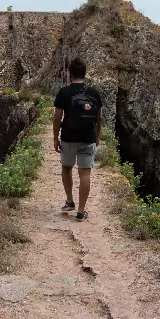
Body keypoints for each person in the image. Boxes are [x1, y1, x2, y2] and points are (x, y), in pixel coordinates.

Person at [53, 58, 103, 221]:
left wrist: (55, 138)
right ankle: (81, 211)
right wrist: (97, 136)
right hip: (88, 137)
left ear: (70, 73)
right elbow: (99, 118)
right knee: (85, 174)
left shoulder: (64, 92)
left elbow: (57, 118)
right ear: (85, 73)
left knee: (67, 168)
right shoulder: (94, 92)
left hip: (68, 138)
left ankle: (69, 201)